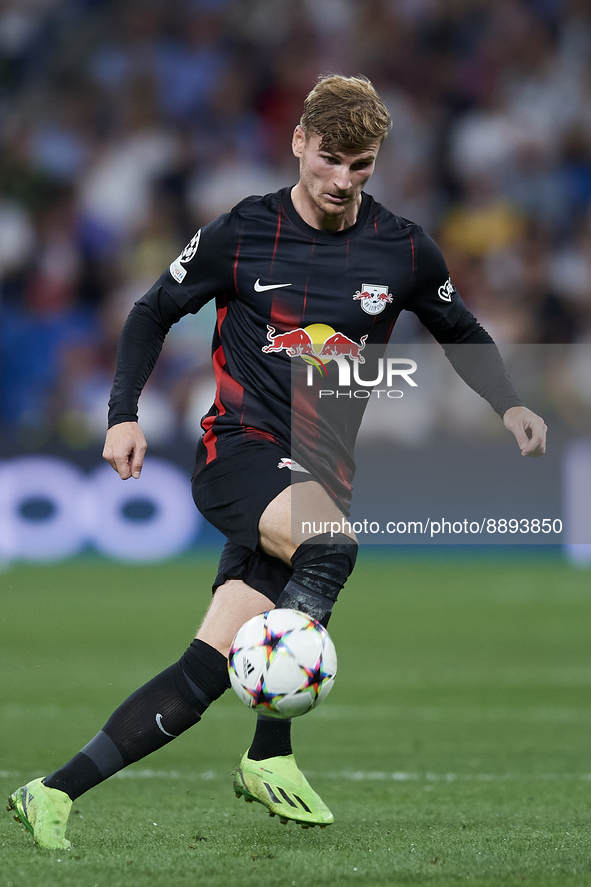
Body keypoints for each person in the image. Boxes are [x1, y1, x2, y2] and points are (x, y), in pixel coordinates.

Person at [7, 74, 547, 850]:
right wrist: (122, 413)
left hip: (318, 477)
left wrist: (510, 403)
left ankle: (51, 791)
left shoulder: (400, 248)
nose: (342, 181)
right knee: (329, 548)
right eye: (330, 160)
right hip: (240, 455)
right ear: (298, 142)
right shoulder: (242, 233)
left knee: (202, 673)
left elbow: (459, 328)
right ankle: (270, 745)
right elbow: (151, 309)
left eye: (360, 166)